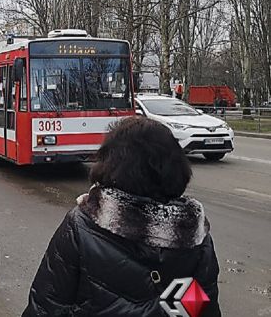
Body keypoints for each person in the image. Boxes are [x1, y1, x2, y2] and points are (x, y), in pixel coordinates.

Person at [22, 117, 220, 317]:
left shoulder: (81, 226)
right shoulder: (195, 233)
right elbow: (203, 309)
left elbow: (45, 307)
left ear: (111, 164)